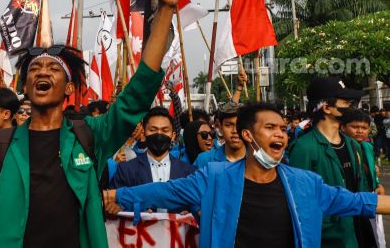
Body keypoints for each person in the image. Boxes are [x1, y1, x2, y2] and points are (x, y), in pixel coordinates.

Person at [0, 0, 183, 248]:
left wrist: (166, 9)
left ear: (68, 88)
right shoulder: (0, 145)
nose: (42, 71)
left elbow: (137, 95)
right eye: (34, 70)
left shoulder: (90, 136)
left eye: (53, 69)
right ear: (25, 86)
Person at [104, 103, 390, 248]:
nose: (279, 133)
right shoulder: (214, 177)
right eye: (270, 128)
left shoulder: (305, 184)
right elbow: (165, 191)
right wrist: (114, 195)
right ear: (247, 135)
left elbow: (358, 202)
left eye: (282, 128)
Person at [288, 77, 374, 248]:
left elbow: (361, 188)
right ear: (327, 107)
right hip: (328, 238)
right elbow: (299, 201)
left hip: (357, 233)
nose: (351, 107)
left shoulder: (353, 145)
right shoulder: (303, 148)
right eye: (345, 102)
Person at [111, 107, 196, 192]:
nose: (159, 134)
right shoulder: (126, 170)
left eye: (165, 130)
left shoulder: (189, 173)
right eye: (153, 130)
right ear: (144, 133)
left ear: (173, 136)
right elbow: (115, 201)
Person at [341, 109, 385, 195]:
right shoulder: (340, 148)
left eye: (364, 128)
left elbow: (373, 171)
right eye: (355, 127)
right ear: (343, 127)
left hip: (369, 195)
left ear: (369, 130)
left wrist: (378, 185)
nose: (360, 131)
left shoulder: (368, 146)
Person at [194, 102, 246, 168]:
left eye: (239, 125)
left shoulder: (258, 160)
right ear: (220, 128)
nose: (235, 131)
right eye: (229, 125)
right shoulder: (204, 160)